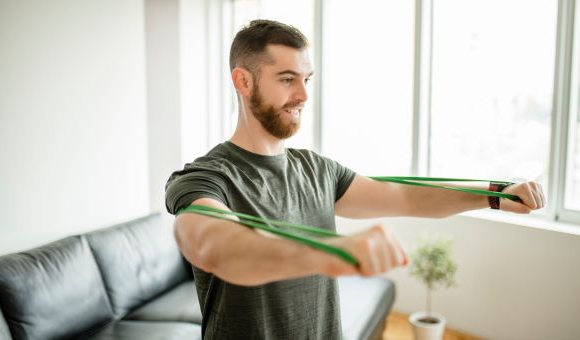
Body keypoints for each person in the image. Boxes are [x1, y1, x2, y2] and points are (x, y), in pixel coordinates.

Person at [165, 19, 545, 340]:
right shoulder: (206, 177)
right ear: (243, 82)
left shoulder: (316, 169)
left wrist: (495, 194)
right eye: (286, 79)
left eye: (306, 80)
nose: (301, 95)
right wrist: (331, 250)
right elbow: (217, 246)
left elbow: (403, 196)